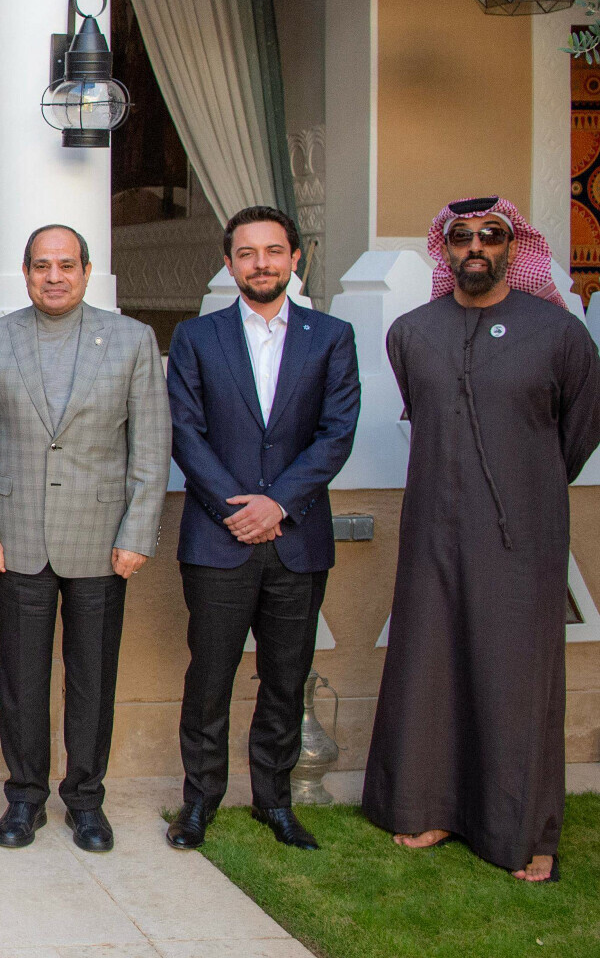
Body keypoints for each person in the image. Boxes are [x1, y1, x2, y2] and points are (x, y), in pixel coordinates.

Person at [364, 195, 600, 884]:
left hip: (523, 536)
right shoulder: (412, 333)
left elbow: (579, 430)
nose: (476, 247)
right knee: (432, 665)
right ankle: (430, 807)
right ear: (445, 249)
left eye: (491, 235)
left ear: (512, 246)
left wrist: (526, 484)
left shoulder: (558, 333)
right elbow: (426, 413)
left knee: (517, 677)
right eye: (462, 236)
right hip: (433, 530)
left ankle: (523, 830)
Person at [0, 225, 170, 853]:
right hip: (17, 537)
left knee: (92, 679)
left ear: (86, 270)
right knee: (21, 680)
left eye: (66, 265)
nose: (55, 276)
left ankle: (85, 799)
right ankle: (25, 797)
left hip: (102, 540)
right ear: (26, 272)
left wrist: (138, 531)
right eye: (42, 266)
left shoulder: (132, 339)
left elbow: (150, 446)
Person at [163, 206, 360, 852]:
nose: (261, 263)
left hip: (298, 541)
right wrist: (237, 510)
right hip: (217, 540)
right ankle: (200, 801)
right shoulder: (197, 337)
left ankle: (274, 801)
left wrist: (278, 505)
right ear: (229, 264)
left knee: (285, 677)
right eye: (246, 253)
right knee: (209, 679)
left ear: (295, 258)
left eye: (273, 251)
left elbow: (336, 434)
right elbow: (185, 432)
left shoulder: (331, 337)